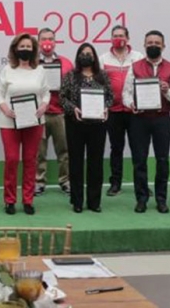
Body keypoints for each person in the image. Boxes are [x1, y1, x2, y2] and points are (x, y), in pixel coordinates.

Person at [0, 33, 50, 215]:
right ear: (15, 49)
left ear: (34, 49)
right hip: (9, 122)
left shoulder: (39, 71)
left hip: (33, 121)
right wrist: (4, 108)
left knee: (30, 160)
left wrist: (43, 106)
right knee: (11, 160)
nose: (25, 50)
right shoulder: (7, 70)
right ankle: (9, 200)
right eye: (22, 46)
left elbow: (46, 93)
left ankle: (28, 200)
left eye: (28, 47)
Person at [122, 30, 170, 214]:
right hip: (139, 119)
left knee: (162, 161)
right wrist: (131, 104)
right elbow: (125, 93)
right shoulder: (135, 66)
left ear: (163, 46)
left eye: (157, 42)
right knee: (139, 161)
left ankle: (161, 199)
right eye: (150, 42)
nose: (153, 45)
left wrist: (167, 91)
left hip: (162, 120)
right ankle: (142, 199)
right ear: (144, 45)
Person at [60, 43, 113, 213]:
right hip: (75, 124)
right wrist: (72, 108)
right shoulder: (70, 76)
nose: (86, 56)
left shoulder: (102, 76)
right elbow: (62, 98)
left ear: (94, 57)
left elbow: (110, 97)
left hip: (97, 125)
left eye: (89, 53)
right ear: (78, 56)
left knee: (95, 163)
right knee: (75, 162)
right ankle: (77, 201)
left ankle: (94, 201)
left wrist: (106, 108)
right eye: (83, 53)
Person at [100, 25, 144, 196]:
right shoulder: (103, 59)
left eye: (121, 35)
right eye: (115, 35)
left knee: (138, 149)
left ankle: (141, 184)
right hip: (113, 111)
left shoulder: (138, 57)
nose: (118, 38)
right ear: (111, 39)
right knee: (116, 148)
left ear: (128, 38)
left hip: (134, 111)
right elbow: (99, 84)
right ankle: (115, 183)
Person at [36, 28, 73, 196]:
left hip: (60, 113)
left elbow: (73, 87)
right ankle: (38, 181)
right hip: (39, 114)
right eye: (44, 39)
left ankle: (65, 181)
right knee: (39, 151)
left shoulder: (65, 62)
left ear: (55, 41)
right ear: (38, 42)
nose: (47, 42)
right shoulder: (32, 63)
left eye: (50, 38)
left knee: (64, 150)